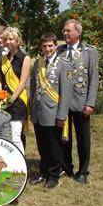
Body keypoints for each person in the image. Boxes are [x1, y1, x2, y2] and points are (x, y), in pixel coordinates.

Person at [58, 19, 99, 184]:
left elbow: (93, 79)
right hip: (63, 103)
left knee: (83, 138)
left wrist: (90, 102)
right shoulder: (59, 50)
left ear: (78, 32)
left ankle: (83, 171)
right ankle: (66, 167)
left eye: (68, 31)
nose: (65, 33)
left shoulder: (89, 51)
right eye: (64, 31)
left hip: (81, 103)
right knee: (64, 138)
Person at [29, 33, 72, 189]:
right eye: (44, 46)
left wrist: (62, 115)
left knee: (54, 146)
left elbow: (66, 93)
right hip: (38, 112)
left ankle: (54, 175)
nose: (47, 49)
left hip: (54, 113)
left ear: (55, 46)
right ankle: (43, 172)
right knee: (42, 146)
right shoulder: (38, 63)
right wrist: (31, 110)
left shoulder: (64, 64)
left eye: (50, 46)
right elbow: (33, 87)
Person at [0, 27, 31, 154]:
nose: (8, 42)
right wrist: (0, 96)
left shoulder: (25, 59)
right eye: (6, 39)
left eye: (11, 39)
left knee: (16, 137)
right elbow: (0, 80)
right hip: (4, 101)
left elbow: (22, 83)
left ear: (17, 40)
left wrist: (11, 99)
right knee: (5, 135)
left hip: (18, 101)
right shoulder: (3, 59)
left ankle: (21, 166)